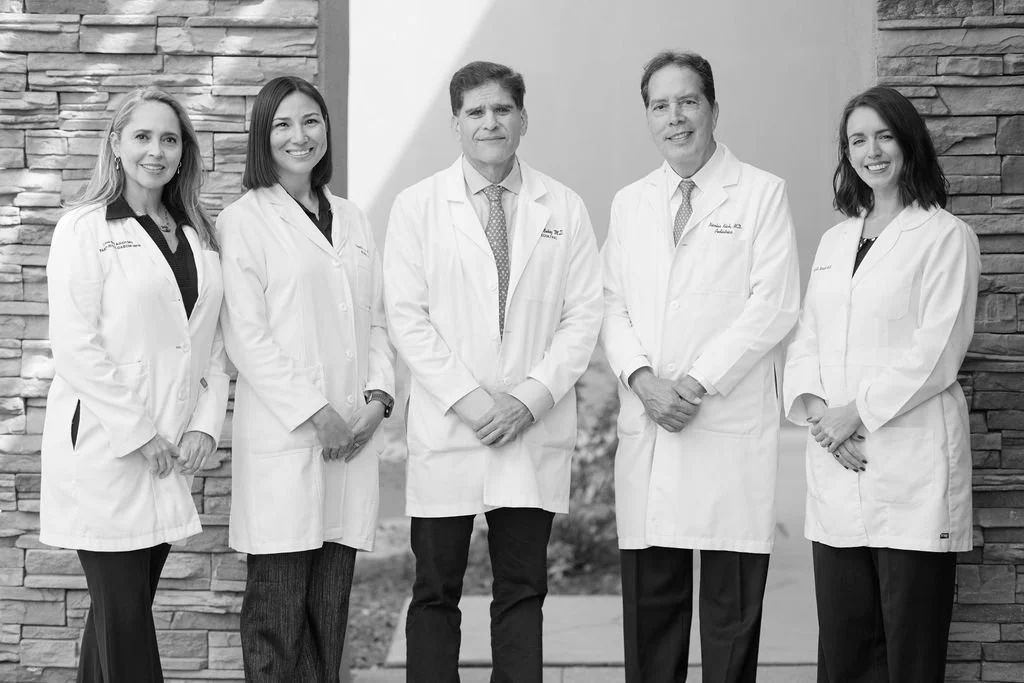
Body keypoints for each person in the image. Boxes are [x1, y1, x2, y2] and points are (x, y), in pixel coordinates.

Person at [383, 60, 603, 683]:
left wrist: (527, 400)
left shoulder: (563, 205)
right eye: (476, 111)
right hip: (453, 426)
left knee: (522, 589)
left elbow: (583, 316)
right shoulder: (417, 206)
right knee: (434, 591)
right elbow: (407, 317)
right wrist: (474, 402)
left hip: (531, 426)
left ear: (523, 118)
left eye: (502, 109)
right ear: (456, 123)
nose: (490, 121)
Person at [601, 51, 801, 682]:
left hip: (723, 420)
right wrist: (642, 379)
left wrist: (693, 382)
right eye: (659, 106)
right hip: (652, 419)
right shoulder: (630, 203)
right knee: (651, 609)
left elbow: (773, 304)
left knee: (730, 610)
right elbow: (609, 303)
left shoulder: (762, 193)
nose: (674, 118)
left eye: (687, 102)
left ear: (714, 108)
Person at [783, 85, 979, 682]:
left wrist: (856, 414)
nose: (871, 151)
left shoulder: (947, 236)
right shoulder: (835, 240)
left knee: (909, 650)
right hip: (837, 461)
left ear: (908, 142)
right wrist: (822, 416)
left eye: (883, 135)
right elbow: (807, 337)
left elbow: (937, 350)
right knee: (844, 647)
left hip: (909, 466)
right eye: (857, 140)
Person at [39, 87, 228, 683]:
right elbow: (75, 345)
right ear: (116, 145)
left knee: (117, 620)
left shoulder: (199, 234)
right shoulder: (84, 228)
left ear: (183, 153)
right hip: (107, 449)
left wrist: (205, 424)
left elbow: (215, 342)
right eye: (142, 136)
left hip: (169, 450)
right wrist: (139, 433)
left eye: (169, 139)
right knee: (126, 625)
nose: (156, 150)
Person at [217, 76, 394, 682]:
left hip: (352, 439)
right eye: (283, 124)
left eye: (311, 121)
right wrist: (320, 415)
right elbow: (247, 335)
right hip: (290, 439)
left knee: (328, 612)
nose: (300, 136)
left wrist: (377, 399)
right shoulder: (243, 221)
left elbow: (376, 321)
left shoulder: (353, 217)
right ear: (263, 137)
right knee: (277, 614)